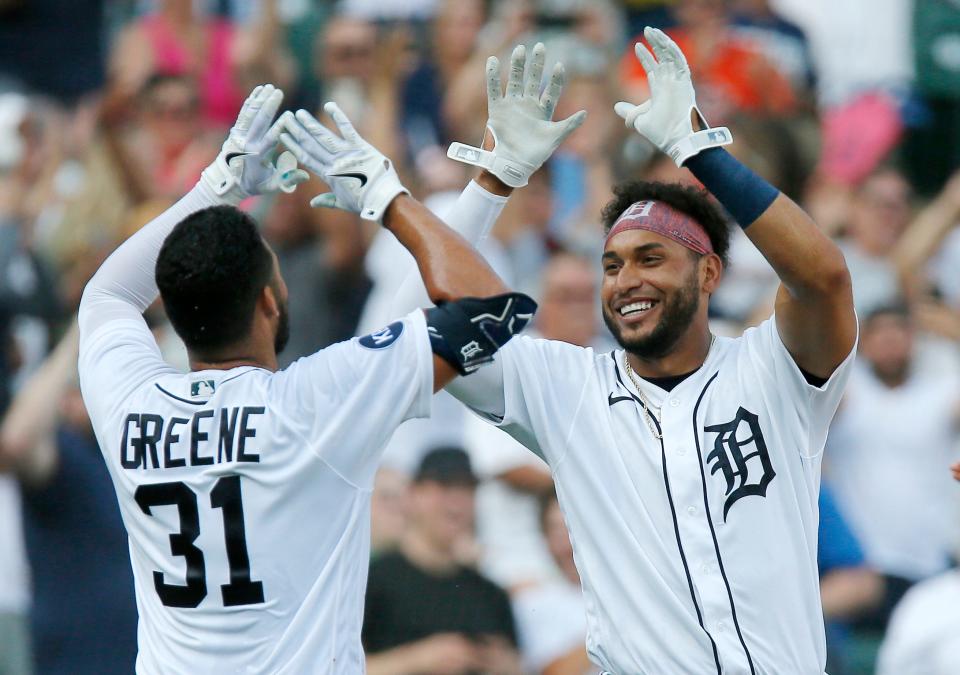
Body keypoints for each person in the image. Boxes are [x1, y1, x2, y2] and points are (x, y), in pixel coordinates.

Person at [401, 32, 857, 673]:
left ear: (708, 277)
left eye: (651, 258)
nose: (625, 281)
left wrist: (700, 154)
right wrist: (493, 182)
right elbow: (408, 336)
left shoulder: (772, 370)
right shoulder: (563, 386)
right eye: (611, 265)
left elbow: (825, 279)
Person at [77, 84, 547, 672]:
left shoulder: (130, 405)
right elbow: (491, 308)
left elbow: (109, 292)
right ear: (271, 302)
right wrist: (390, 199)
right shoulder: (312, 404)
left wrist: (216, 187)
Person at [363, 447, 522, 675]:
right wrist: (418, 660)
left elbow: (519, 666)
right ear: (413, 494)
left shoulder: (491, 594)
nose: (457, 502)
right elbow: (336, 667)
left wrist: (503, 666)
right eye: (445, 487)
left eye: (467, 489)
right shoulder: (372, 582)